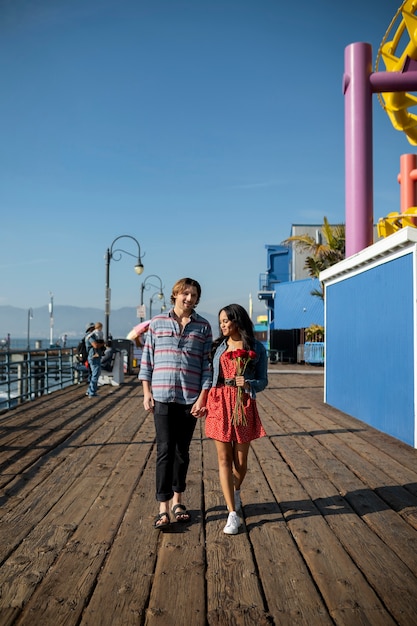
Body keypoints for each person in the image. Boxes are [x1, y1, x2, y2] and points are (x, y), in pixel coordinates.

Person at [139, 277, 212, 529]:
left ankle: (178, 501)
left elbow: (207, 366)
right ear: (175, 295)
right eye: (185, 294)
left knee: (182, 452)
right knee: (164, 451)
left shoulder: (203, 327)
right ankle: (163, 507)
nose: (189, 299)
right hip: (161, 396)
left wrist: (203, 397)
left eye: (193, 295)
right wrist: (146, 392)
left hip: (189, 398)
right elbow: (146, 360)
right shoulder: (158, 323)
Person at [205, 303, 268, 535]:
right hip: (220, 402)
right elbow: (208, 377)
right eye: (220, 321)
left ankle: (236, 489)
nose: (222, 325)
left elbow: (263, 380)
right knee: (224, 459)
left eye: (226, 321)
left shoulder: (257, 348)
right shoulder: (217, 347)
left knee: (240, 463)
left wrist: (249, 383)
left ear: (237, 321)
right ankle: (232, 513)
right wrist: (203, 401)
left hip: (243, 403)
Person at [85, 321, 105, 397]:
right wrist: (103, 343)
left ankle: (90, 390)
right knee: (95, 374)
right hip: (94, 357)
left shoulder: (88, 336)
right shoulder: (91, 336)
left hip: (92, 357)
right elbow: (95, 345)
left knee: (93, 374)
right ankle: (92, 392)